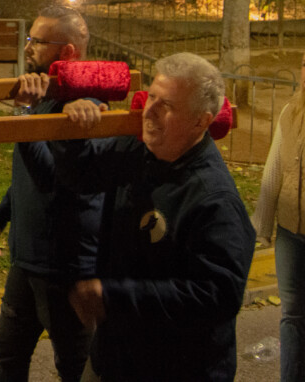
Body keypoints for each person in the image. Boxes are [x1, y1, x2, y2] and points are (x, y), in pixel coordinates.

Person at [51, 53, 256, 382]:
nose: (150, 110)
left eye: (168, 105)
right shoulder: (138, 151)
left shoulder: (213, 199)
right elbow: (80, 175)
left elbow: (218, 295)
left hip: (178, 369)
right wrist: (72, 130)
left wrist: (116, 296)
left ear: (200, 121)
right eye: (153, 97)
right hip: (113, 359)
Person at [0, 5, 98, 382]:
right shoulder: (44, 92)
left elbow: (54, 180)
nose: (28, 47)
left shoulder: (85, 109)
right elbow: (26, 177)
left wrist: (23, 118)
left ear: (67, 53)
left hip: (63, 267)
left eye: (38, 41)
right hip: (26, 261)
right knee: (9, 358)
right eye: (29, 38)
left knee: (74, 367)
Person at [253, 51, 305, 382]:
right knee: (292, 314)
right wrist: (262, 225)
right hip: (291, 231)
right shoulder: (291, 111)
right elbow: (273, 171)